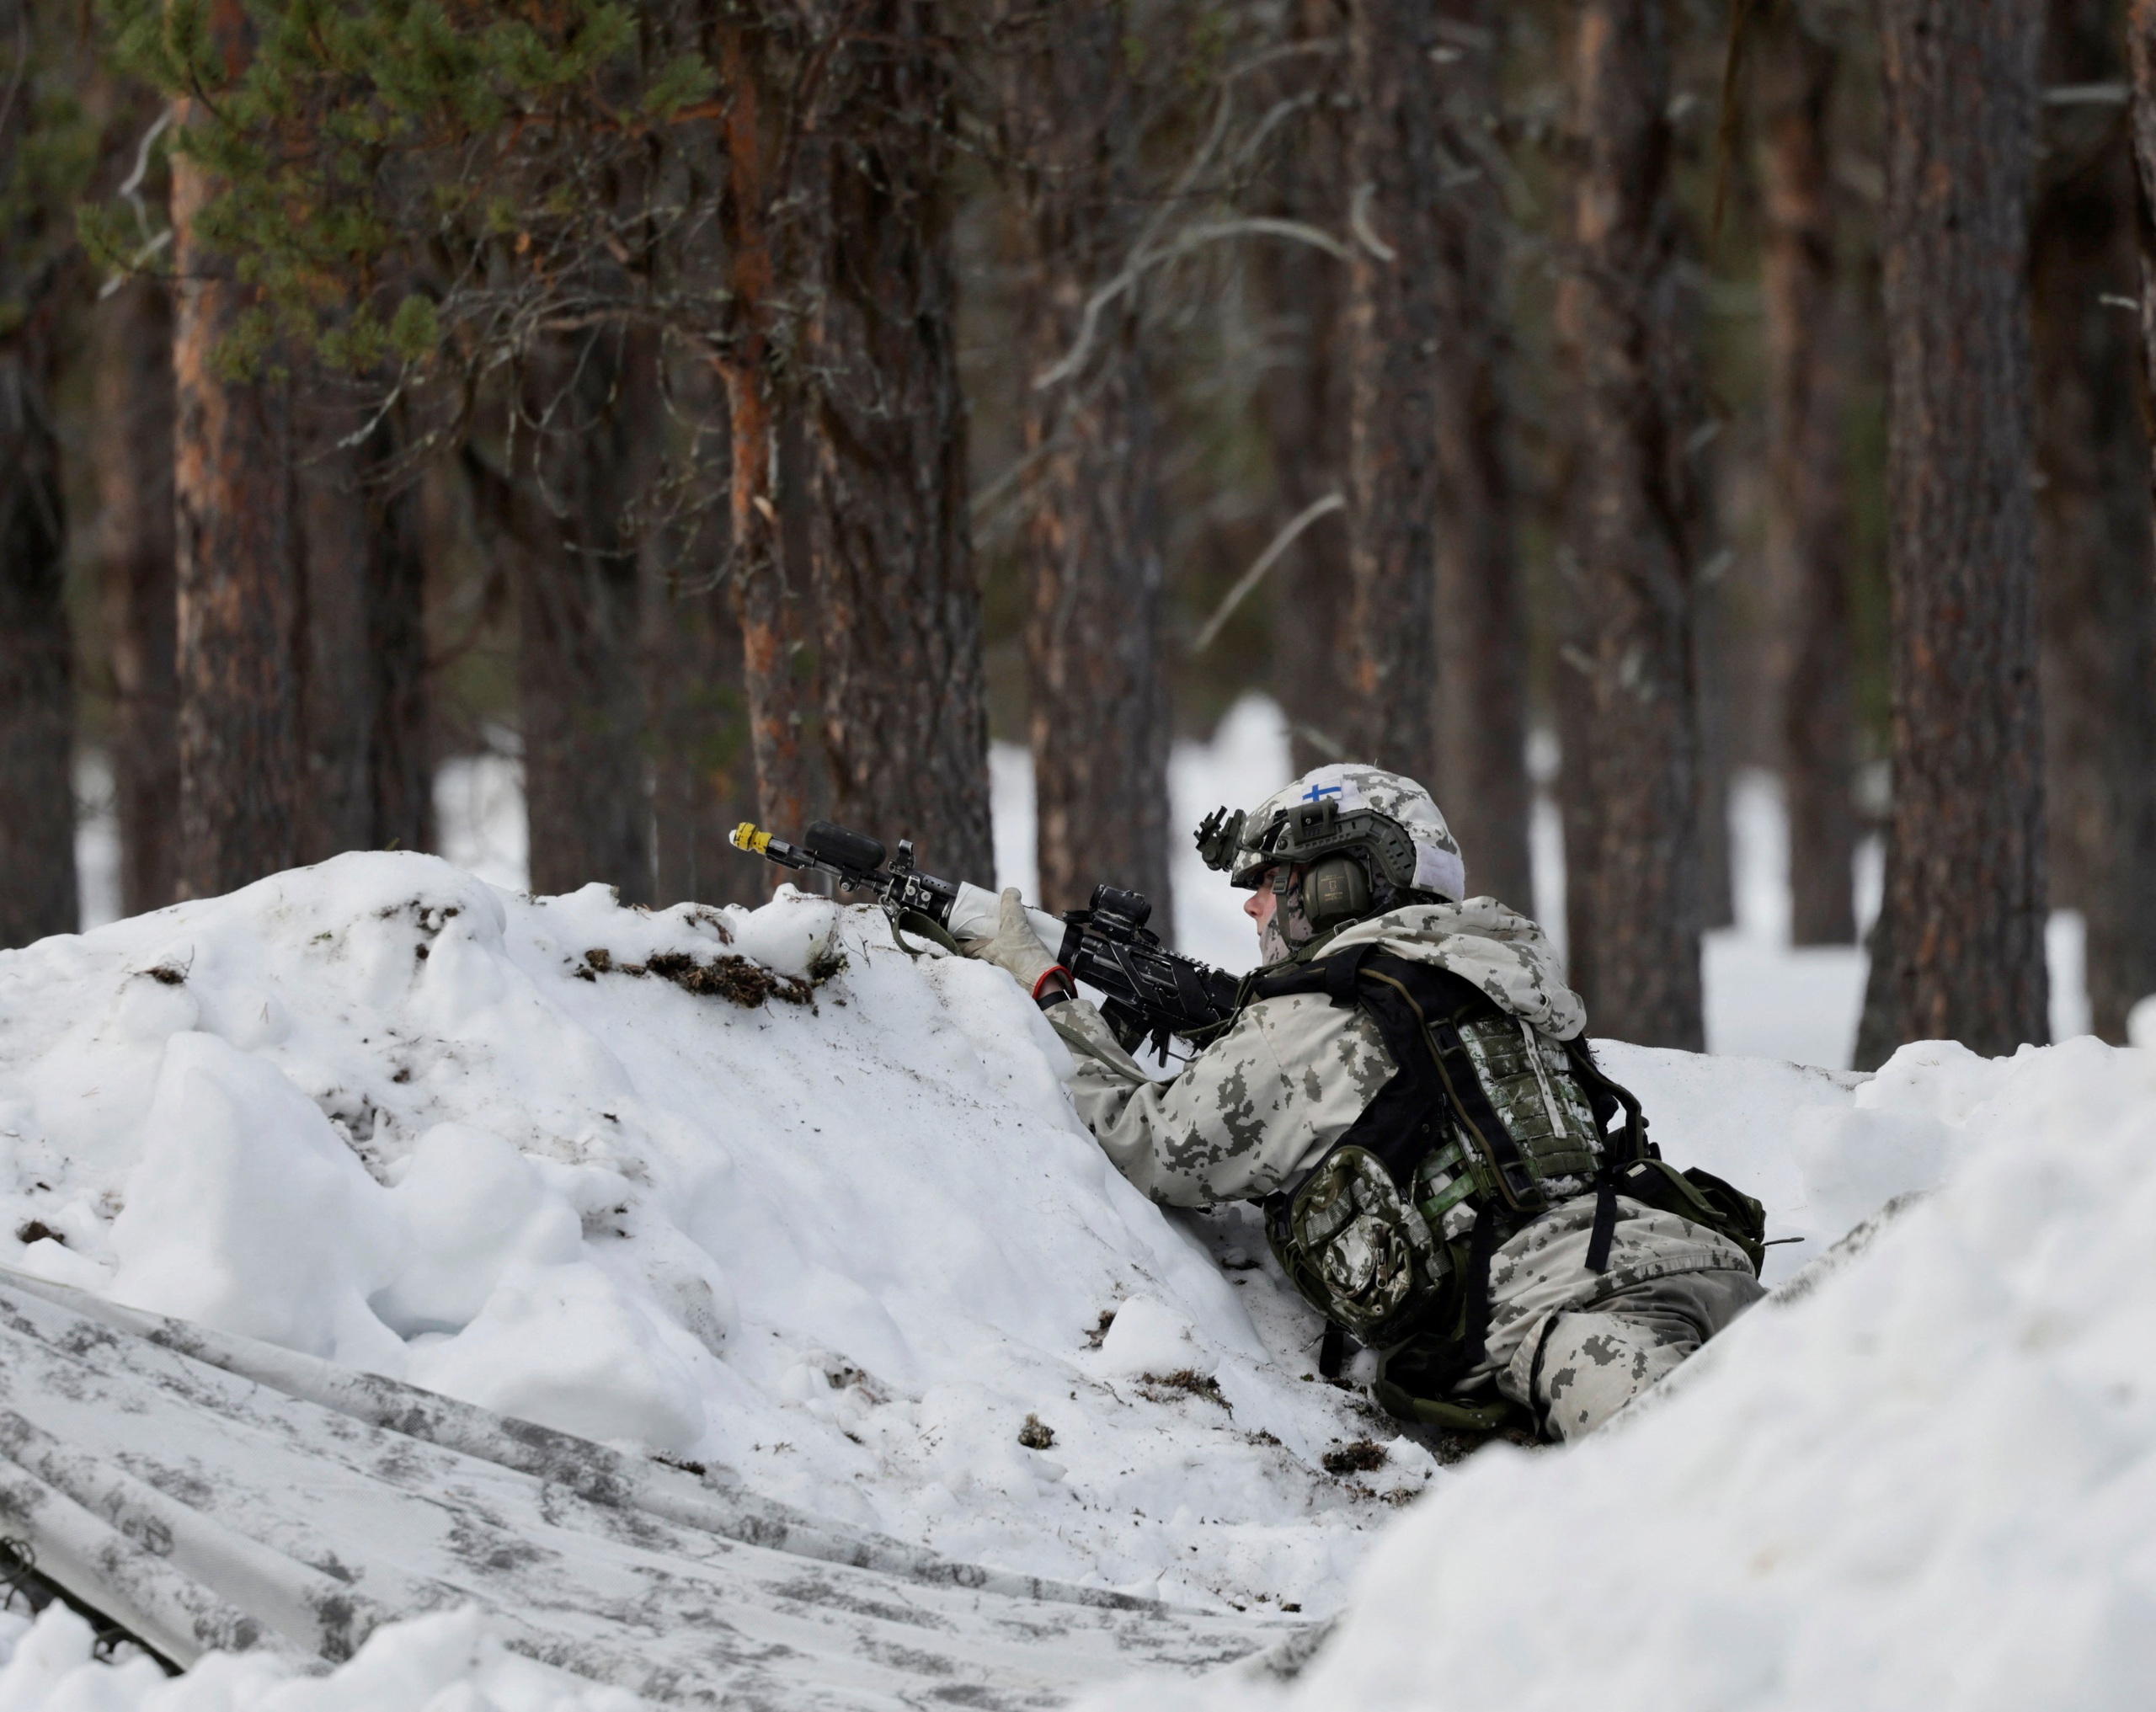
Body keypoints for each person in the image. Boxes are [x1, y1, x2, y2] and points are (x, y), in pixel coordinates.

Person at [959, 764, 1763, 1441]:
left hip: (1570, 1319)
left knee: (1701, 1489)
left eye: (1274, 881)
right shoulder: (1501, 974)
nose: (1253, 906)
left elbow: (1144, 1141)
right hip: (1695, 1258)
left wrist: (1043, 989)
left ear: (1340, 881)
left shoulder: (1317, 1018)